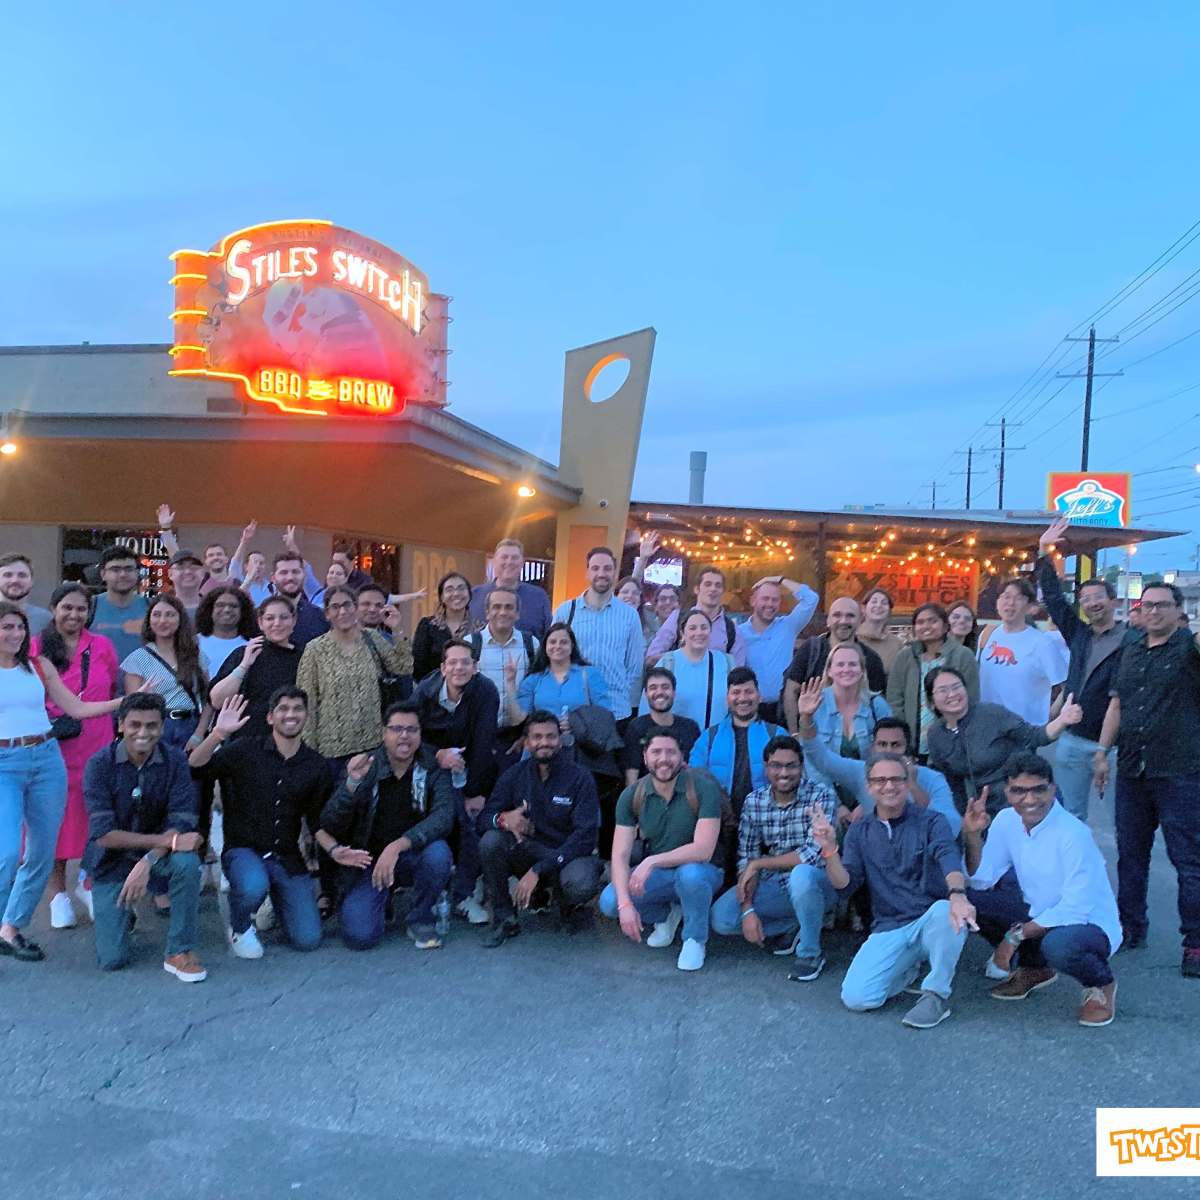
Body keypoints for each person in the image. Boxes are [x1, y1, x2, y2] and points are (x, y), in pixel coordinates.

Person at [810, 751, 977, 1028]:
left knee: (949, 910)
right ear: (869, 786)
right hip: (890, 925)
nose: (889, 786)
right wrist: (829, 851)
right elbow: (845, 884)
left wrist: (958, 895)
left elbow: (948, 857)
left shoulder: (931, 821)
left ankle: (935, 995)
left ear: (907, 782)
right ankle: (910, 968)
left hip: (930, 918)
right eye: (880, 780)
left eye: (897, 779)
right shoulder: (860, 830)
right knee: (857, 998)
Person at [0, 602, 125, 961]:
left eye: (19, 628)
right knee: (8, 853)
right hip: (5, 763)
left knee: (41, 851)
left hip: (46, 758)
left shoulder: (38, 666)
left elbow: (76, 709)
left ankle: (11, 928)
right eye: (6, 627)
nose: (14, 634)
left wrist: (123, 702)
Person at [963, 752, 1120, 1026]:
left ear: (1053, 789)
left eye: (1039, 790)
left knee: (1060, 945)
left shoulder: (1074, 833)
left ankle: (1101, 984)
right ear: (1007, 792)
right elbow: (981, 879)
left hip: (1087, 924)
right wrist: (972, 836)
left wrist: (1013, 938)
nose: (1030, 800)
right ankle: (1035, 970)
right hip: (1039, 912)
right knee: (964, 901)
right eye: (1019, 791)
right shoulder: (1005, 820)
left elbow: (1075, 908)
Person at [1093, 581, 1200, 976]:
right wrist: (1102, 753)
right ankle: (1130, 927)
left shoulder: (1190, 649)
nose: (1153, 611)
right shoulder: (1133, 649)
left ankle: (1195, 944)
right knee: (1130, 856)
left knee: (1189, 862)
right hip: (1133, 769)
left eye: (1162, 605)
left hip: (1180, 771)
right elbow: (1116, 704)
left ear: (1177, 610)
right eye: (1146, 605)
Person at [188, 691, 333, 957]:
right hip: (244, 851)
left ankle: (277, 903)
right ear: (270, 717)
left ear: (306, 717)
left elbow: (315, 821)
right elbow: (195, 766)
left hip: (285, 857)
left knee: (308, 939)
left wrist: (336, 850)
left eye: (298, 709)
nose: (290, 714)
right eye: (283, 709)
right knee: (254, 884)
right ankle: (239, 925)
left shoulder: (315, 764)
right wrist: (218, 734)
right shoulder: (244, 749)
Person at [82, 692, 205, 980]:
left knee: (187, 863)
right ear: (121, 725)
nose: (143, 733)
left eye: (151, 726)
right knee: (112, 960)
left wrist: (148, 860)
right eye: (135, 724)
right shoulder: (99, 765)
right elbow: (104, 835)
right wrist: (164, 843)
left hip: (158, 858)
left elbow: (181, 820)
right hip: (111, 860)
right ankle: (125, 915)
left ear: (162, 728)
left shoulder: (175, 762)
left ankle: (179, 951)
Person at [316, 700, 455, 950]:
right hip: (368, 861)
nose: (404, 736)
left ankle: (421, 917)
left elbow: (444, 816)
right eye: (396, 729)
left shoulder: (432, 766)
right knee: (360, 937)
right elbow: (328, 822)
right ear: (383, 733)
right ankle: (381, 900)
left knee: (438, 853)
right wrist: (351, 785)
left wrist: (398, 846)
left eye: (412, 730)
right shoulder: (364, 766)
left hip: (411, 854)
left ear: (420, 733)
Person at [31, 583, 120, 929]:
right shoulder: (35, 648)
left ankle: (88, 879)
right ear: (54, 609)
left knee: (96, 814)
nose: (74, 615)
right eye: (67, 607)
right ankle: (57, 894)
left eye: (81, 609)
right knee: (54, 820)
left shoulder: (101, 646)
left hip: (96, 743)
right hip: (51, 745)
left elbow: (109, 684)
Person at [599, 729, 726, 971]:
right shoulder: (632, 794)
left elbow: (703, 850)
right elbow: (620, 855)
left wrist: (650, 862)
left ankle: (694, 939)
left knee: (690, 874)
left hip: (704, 871)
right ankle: (666, 915)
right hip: (664, 873)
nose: (664, 759)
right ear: (645, 757)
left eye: (671, 752)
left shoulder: (702, 787)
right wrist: (626, 906)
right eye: (656, 752)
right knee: (610, 900)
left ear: (681, 756)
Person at [709, 735, 838, 972]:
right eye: (776, 765)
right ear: (766, 767)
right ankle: (796, 924)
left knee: (801, 875)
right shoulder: (754, 801)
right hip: (776, 883)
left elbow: (813, 854)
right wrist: (747, 908)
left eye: (791, 766)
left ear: (801, 767)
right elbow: (747, 858)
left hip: (819, 882)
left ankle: (810, 953)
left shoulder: (821, 795)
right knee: (722, 919)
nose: (784, 773)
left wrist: (759, 864)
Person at [479, 710, 602, 946]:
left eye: (550, 736)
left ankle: (567, 904)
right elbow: (484, 819)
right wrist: (504, 820)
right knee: (490, 841)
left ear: (560, 739)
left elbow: (585, 837)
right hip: (528, 850)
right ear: (526, 742)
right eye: (537, 737)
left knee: (580, 881)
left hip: (567, 855)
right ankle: (504, 919)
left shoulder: (580, 777)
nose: (544, 742)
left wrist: (538, 869)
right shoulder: (514, 774)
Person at [1034, 518, 1126, 820]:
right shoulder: (1079, 634)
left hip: (1114, 746)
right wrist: (1043, 550)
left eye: (1098, 597)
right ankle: (1073, 866)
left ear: (1112, 601)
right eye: (1085, 599)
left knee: (1121, 820)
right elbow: (1054, 599)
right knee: (1070, 815)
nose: (1091, 603)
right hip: (1072, 740)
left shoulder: (1133, 640)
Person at [793, 685, 961, 836]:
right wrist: (806, 718)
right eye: (882, 744)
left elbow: (951, 827)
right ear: (873, 748)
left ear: (907, 748)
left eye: (896, 745)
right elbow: (820, 758)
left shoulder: (932, 779)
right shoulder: (861, 771)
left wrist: (912, 785)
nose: (888, 751)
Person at [413, 640, 500, 923]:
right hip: (430, 768)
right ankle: (433, 888)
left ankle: (463, 894)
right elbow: (408, 738)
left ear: (475, 667)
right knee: (443, 821)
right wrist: (437, 755)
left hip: (470, 768)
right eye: (453, 662)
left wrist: (474, 792)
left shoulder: (485, 691)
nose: (459, 667)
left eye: (466, 662)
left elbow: (483, 742)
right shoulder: (424, 693)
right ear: (442, 667)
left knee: (471, 821)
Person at [925, 667, 1083, 815]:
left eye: (956, 687)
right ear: (931, 701)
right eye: (943, 690)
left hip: (1026, 798)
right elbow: (954, 783)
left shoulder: (992, 714)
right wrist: (964, 815)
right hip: (986, 809)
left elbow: (1035, 736)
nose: (952, 694)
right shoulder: (935, 735)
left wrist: (1062, 720)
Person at [296, 586, 413, 762]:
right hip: (332, 750)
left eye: (347, 605)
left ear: (355, 608)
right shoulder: (315, 649)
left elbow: (404, 667)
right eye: (335, 607)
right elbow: (307, 701)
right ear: (327, 614)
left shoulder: (372, 638)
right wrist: (308, 753)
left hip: (371, 746)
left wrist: (397, 630)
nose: (342, 611)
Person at [553, 546, 644, 724]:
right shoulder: (566, 612)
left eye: (607, 568)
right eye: (595, 568)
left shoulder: (629, 616)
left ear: (614, 572)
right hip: (573, 711)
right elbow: (553, 658)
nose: (601, 573)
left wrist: (616, 690)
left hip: (615, 712)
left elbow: (634, 667)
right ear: (587, 572)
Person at [794, 643, 892, 800]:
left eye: (853, 664)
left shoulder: (878, 705)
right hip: (824, 797)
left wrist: (866, 802)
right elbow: (812, 762)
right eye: (840, 664)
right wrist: (836, 806)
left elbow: (889, 758)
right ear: (829, 671)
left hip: (873, 796)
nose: (846, 669)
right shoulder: (815, 705)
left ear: (862, 670)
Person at [886, 602, 979, 758]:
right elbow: (895, 699)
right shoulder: (905, 657)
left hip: (952, 743)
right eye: (920, 622)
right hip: (913, 742)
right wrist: (902, 737)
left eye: (933, 621)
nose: (926, 626)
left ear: (945, 626)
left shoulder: (963, 655)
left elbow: (971, 698)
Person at [688, 667, 784, 818]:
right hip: (720, 821)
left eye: (749, 691)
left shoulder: (777, 735)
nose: (743, 698)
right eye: (736, 692)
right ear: (727, 699)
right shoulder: (709, 737)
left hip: (767, 819)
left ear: (759, 696)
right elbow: (694, 779)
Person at [120, 594, 207, 755]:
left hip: (190, 725)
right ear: (149, 620)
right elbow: (132, 705)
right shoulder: (138, 658)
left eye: (170, 615)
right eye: (157, 615)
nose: (163, 620)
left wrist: (199, 733)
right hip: (156, 727)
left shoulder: (195, 655)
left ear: (180, 619)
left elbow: (208, 698)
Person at [781, 596, 887, 729]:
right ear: (828, 621)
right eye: (837, 615)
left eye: (850, 616)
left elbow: (877, 704)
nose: (843, 621)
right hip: (812, 739)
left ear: (860, 620)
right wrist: (794, 733)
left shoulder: (871, 659)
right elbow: (790, 691)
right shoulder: (811, 651)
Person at [977, 577, 1069, 726]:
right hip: (987, 727)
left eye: (1018, 598)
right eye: (1006, 596)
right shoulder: (987, 635)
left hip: (1023, 732)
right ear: (998, 602)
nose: (1011, 603)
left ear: (1030, 607)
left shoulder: (1042, 643)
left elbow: (1067, 685)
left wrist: (1049, 718)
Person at [209, 596, 303, 740]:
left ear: (294, 621)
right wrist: (244, 666)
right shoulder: (244, 653)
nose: (277, 623)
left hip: (289, 741)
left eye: (284, 617)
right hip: (245, 741)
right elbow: (216, 700)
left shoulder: (304, 656)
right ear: (260, 622)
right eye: (270, 618)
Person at [738, 575, 819, 725]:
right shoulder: (738, 633)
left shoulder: (788, 626)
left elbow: (811, 599)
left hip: (784, 709)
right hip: (751, 710)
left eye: (775, 600)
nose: (770, 604)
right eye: (765, 598)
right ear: (753, 601)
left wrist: (779, 579)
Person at [642, 608, 734, 730]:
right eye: (692, 628)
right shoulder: (668, 662)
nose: (699, 632)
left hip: (716, 741)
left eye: (704, 627)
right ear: (682, 633)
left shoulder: (726, 662)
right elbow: (648, 704)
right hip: (676, 742)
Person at [470, 587, 538, 748]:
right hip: (478, 736)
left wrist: (528, 734)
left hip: (518, 738)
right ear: (487, 612)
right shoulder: (470, 645)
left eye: (509, 607)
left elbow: (538, 691)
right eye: (496, 607)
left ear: (517, 614)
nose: (502, 612)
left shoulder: (531, 644)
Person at [510, 621, 610, 725]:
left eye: (564, 642)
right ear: (545, 646)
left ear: (572, 646)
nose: (558, 646)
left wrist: (577, 724)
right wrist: (510, 683)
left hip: (582, 739)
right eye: (553, 642)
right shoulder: (533, 680)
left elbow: (605, 715)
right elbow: (519, 720)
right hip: (545, 739)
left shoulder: (590, 675)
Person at [645, 566, 747, 666]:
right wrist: (684, 657)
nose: (713, 589)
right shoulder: (678, 619)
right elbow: (651, 658)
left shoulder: (732, 630)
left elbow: (737, 671)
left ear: (723, 591)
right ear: (696, 589)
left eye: (718, 585)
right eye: (708, 584)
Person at [622, 667, 701, 786]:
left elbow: (698, 772)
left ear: (674, 692)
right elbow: (631, 777)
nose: (659, 692)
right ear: (645, 694)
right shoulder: (636, 728)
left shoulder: (690, 728)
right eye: (653, 687)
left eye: (665, 687)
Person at [469, 538, 552, 639]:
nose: (509, 562)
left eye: (514, 558)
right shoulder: (475, 595)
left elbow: (547, 636)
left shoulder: (538, 597)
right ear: (494, 561)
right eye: (504, 557)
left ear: (522, 563)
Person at [88, 545, 150, 662]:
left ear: (137, 573)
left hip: (143, 680)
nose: (123, 574)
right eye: (115, 569)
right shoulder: (89, 607)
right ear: (103, 574)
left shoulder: (151, 608)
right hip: (100, 680)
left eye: (129, 569)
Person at [412, 572, 475, 683]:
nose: (456, 593)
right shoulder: (428, 626)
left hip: (473, 694)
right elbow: (418, 668)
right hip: (433, 693)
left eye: (461, 588)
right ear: (441, 597)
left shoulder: (479, 628)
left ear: (469, 594)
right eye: (449, 590)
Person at [194, 585, 257, 677]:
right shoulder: (193, 643)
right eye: (220, 605)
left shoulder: (252, 645)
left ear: (243, 611)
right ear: (209, 610)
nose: (227, 610)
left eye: (234, 606)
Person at [270, 551, 328, 649]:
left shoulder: (320, 617)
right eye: (283, 572)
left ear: (304, 575)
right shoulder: (260, 617)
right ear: (273, 578)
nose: (290, 577)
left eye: (295, 572)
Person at [0, 553, 52, 636]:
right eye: (8, 575)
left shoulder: (45, 620)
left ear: (32, 582)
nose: (15, 580)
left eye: (22, 575)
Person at [857, 587, 904, 675]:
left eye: (884, 603)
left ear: (890, 611)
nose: (879, 605)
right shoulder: (852, 638)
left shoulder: (897, 644)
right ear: (863, 608)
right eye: (874, 601)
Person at [166, 548, 206, 620]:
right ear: (170, 574)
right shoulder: (160, 610)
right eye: (181, 567)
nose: (188, 572)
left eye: (194, 567)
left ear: (203, 573)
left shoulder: (213, 608)